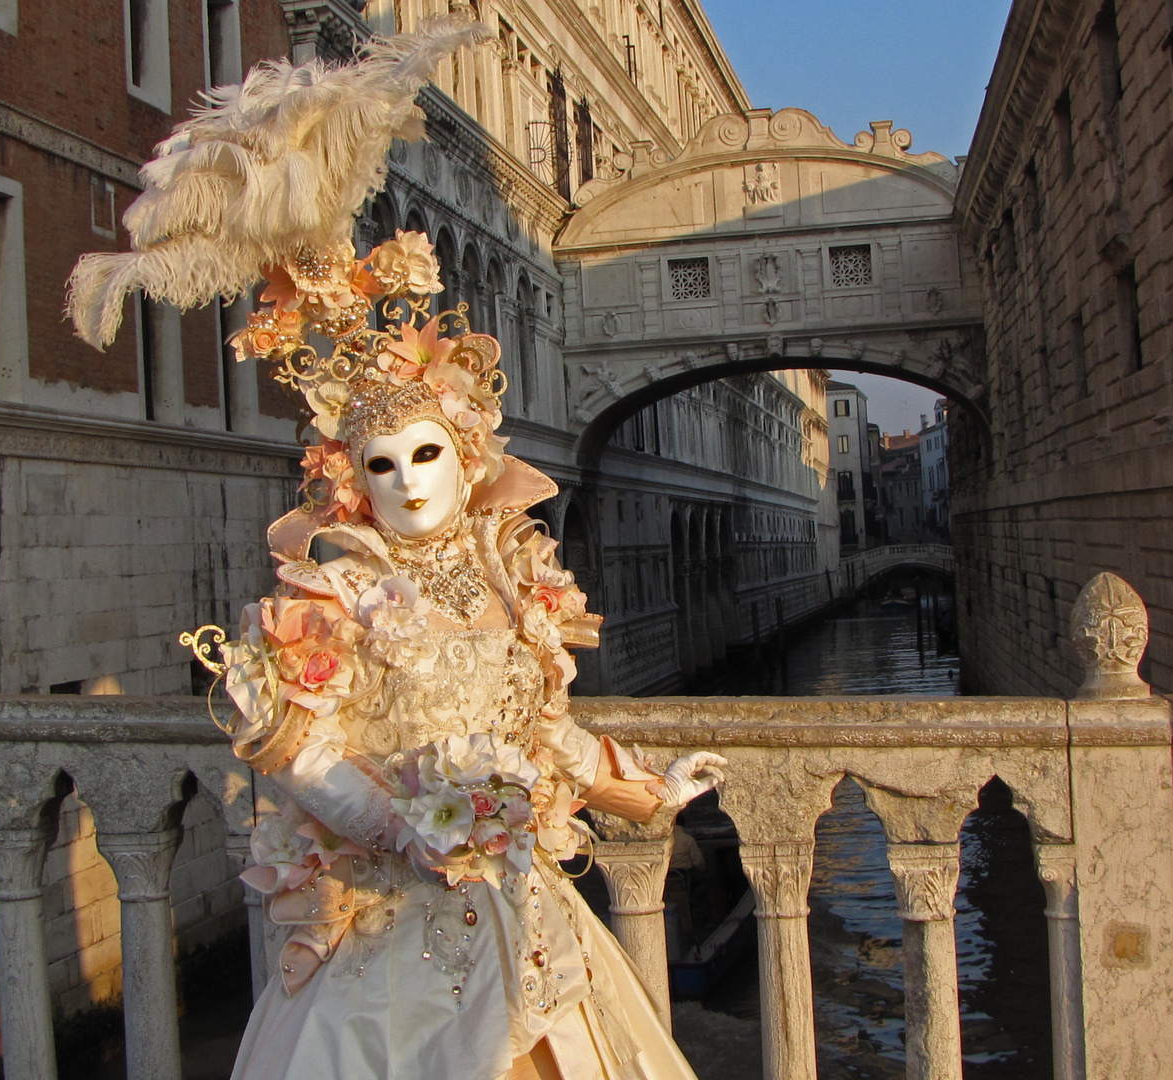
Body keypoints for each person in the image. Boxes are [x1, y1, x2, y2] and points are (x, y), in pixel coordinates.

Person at [68, 20, 725, 1080]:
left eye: (426, 454)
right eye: (383, 463)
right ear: (353, 477)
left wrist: (645, 785)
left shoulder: (513, 574)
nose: (409, 480)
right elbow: (296, 748)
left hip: (523, 917)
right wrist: (418, 828)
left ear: (469, 463)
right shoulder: (331, 590)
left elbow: (537, 729)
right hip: (389, 940)